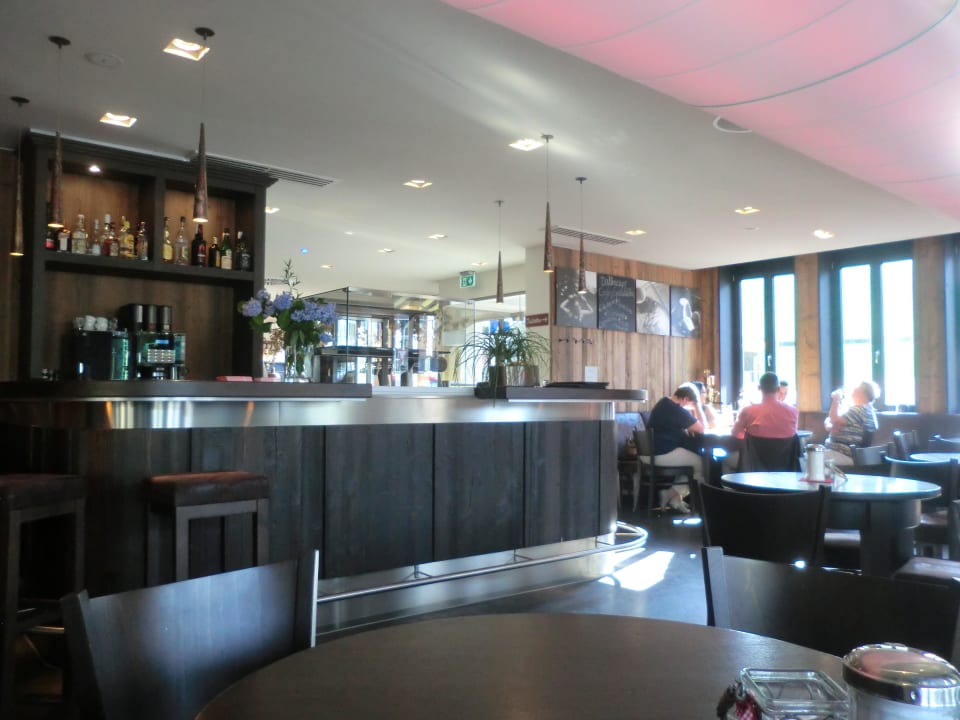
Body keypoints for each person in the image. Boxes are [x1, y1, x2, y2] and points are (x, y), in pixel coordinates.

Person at [646, 384, 705, 513]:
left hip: (650, 452)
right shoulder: (676, 409)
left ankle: (675, 499)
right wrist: (697, 406)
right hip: (662, 453)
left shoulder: (663, 402)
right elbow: (701, 428)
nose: (687, 408)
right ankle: (670, 494)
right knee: (702, 464)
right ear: (685, 399)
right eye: (689, 405)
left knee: (690, 462)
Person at [824, 380, 880, 466]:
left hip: (846, 455)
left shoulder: (859, 410)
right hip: (845, 453)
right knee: (812, 455)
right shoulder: (866, 410)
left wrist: (836, 400)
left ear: (861, 392)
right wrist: (830, 423)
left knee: (810, 458)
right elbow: (833, 421)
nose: (852, 390)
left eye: (855, 388)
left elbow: (834, 419)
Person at [731, 372, 799, 440]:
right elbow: (792, 435)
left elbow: (735, 432)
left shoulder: (747, 411)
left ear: (759, 388)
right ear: (778, 389)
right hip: (785, 447)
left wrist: (751, 438)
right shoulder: (793, 412)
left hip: (756, 447)